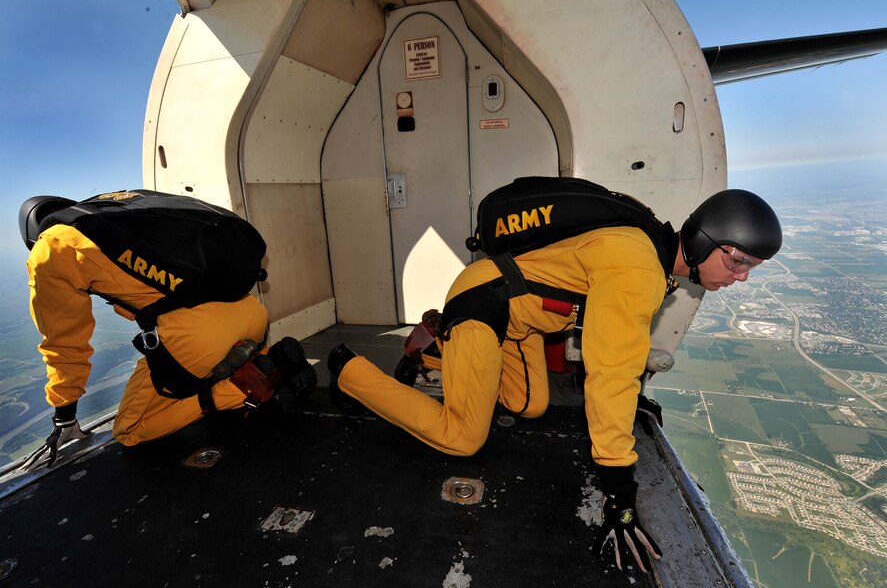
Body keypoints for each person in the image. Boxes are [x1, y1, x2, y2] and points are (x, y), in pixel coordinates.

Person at [327, 187, 782, 573]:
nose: (740, 276)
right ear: (705, 240)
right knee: (462, 437)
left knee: (530, 406)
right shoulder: (639, 267)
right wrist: (620, 494)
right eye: (738, 260)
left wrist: (630, 395)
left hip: (517, 322)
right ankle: (349, 370)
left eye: (751, 267)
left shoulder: (648, 252)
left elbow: (613, 347)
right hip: (483, 303)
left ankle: (435, 357)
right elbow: (611, 377)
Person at [18, 193, 315, 470]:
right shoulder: (118, 210)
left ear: (33, 235)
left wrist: (64, 415)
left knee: (129, 430)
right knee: (191, 365)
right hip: (251, 314)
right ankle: (271, 365)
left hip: (198, 338)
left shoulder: (51, 246)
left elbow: (64, 342)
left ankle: (239, 392)